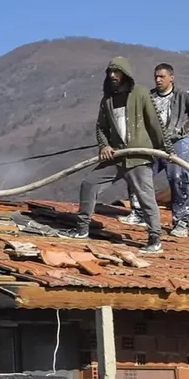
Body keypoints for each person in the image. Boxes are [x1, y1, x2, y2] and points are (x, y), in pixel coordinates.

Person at [64, 56, 174, 254]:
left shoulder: (140, 94)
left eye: (117, 72)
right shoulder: (107, 100)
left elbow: (154, 123)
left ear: (125, 74)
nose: (113, 75)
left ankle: (155, 238)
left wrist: (166, 150)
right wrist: (104, 146)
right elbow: (101, 127)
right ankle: (82, 229)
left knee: (145, 197)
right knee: (89, 183)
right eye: (110, 72)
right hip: (116, 156)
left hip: (138, 156)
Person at [120, 63, 189, 237]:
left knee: (178, 178)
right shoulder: (149, 97)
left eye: (162, 76)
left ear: (171, 78)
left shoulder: (182, 96)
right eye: (156, 76)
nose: (158, 80)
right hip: (152, 143)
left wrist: (184, 129)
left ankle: (181, 221)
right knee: (137, 172)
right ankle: (139, 213)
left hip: (177, 143)